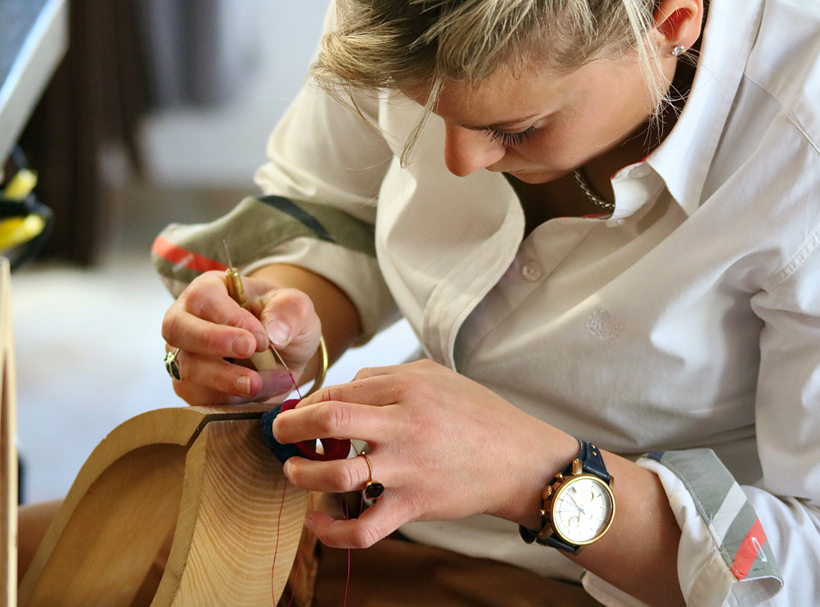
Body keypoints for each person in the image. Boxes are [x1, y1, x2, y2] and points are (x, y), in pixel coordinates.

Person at [153, 0, 820, 605]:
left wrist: (538, 479)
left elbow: (806, 561)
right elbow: (331, 202)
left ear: (671, 24)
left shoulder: (801, 156)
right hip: (379, 523)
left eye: (518, 128)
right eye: (424, 110)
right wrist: (289, 310)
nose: (458, 162)